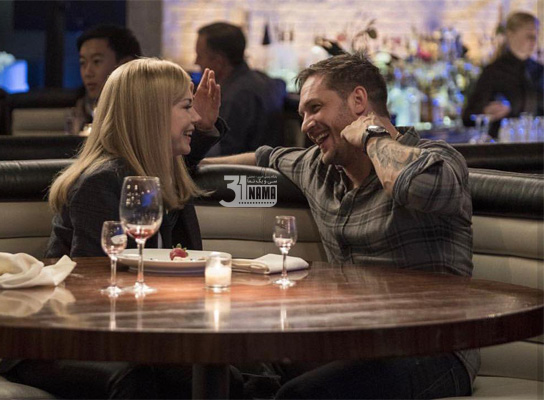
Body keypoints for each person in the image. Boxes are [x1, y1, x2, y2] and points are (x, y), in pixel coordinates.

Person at [204, 53, 479, 399]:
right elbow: (262, 158)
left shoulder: (438, 160)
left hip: (434, 348)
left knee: (302, 396)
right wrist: (192, 150)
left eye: (315, 108)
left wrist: (372, 136)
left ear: (359, 101)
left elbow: (412, 186)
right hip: (350, 343)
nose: (306, 124)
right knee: (235, 372)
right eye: (303, 114)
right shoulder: (319, 168)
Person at [0, 58, 236, 399]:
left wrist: (204, 127)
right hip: (58, 340)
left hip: (124, 330)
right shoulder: (102, 182)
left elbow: (180, 156)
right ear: (151, 115)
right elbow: (95, 288)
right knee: (185, 375)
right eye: (186, 107)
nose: (195, 117)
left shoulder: (153, 171)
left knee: (238, 369)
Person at [195, 21, 286, 155]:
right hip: (272, 164)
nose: (196, 62)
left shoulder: (233, 98)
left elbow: (223, 155)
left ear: (219, 61)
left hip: (245, 168)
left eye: (199, 56)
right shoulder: (268, 82)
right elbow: (282, 83)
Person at [463, 11, 543, 137]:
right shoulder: (494, 72)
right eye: (528, 36)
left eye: (536, 35)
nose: (533, 41)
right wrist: (486, 111)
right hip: (504, 144)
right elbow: (468, 116)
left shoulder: (539, 70)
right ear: (510, 35)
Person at [69, 25, 142, 134]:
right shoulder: (80, 113)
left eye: (96, 61)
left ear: (125, 65)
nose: (87, 72)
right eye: (83, 63)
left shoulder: (143, 114)